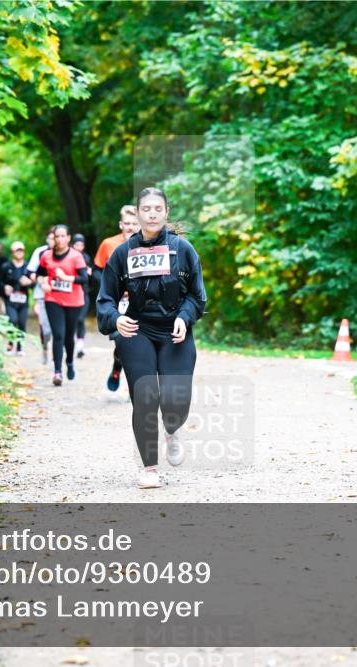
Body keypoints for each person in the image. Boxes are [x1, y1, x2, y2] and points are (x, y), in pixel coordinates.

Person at [96, 187, 206, 489]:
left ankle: (172, 429)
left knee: (175, 401)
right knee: (145, 398)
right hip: (137, 329)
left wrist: (185, 317)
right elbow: (105, 299)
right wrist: (117, 319)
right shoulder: (122, 253)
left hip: (175, 331)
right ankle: (149, 468)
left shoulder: (183, 250)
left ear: (166, 212)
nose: (153, 213)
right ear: (138, 213)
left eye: (158, 208)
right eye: (146, 209)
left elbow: (198, 297)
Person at [93, 205, 141, 391]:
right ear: (121, 224)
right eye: (127, 223)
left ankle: (134, 380)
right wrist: (112, 286)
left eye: (134, 223)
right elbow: (97, 271)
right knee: (122, 340)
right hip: (117, 303)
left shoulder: (148, 245)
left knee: (138, 342)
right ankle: (117, 369)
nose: (130, 227)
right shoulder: (109, 244)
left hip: (139, 302)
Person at [37, 224, 89, 386]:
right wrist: (43, 283)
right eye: (56, 236)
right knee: (58, 334)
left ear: (68, 238)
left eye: (62, 236)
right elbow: (40, 274)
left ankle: (70, 363)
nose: (59, 239)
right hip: (53, 299)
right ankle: (57, 371)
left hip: (74, 301)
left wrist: (66, 278)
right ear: (53, 238)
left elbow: (84, 279)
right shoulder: (46, 255)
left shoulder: (76, 256)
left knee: (68, 336)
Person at [25, 229, 55, 365]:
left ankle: (57, 352)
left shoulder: (68, 253)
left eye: (55, 238)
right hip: (42, 293)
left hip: (61, 295)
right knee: (45, 326)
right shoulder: (40, 252)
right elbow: (30, 272)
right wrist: (42, 281)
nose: (52, 241)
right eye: (50, 238)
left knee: (60, 327)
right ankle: (44, 347)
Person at [1, 241, 32, 355]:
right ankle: (10, 344)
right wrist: (5, 287)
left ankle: (20, 347)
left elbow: (34, 282)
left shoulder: (28, 267)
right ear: (12, 252)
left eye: (21, 250)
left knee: (22, 322)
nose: (19, 253)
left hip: (23, 298)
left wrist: (28, 282)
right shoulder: (6, 266)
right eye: (17, 250)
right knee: (12, 320)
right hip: (10, 300)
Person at [70, 234, 94, 359]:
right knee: (71, 321)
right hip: (70, 293)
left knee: (80, 319)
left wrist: (90, 274)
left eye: (81, 245)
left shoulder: (86, 258)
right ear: (72, 245)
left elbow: (89, 278)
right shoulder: (68, 257)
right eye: (76, 245)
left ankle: (80, 345)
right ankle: (69, 343)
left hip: (83, 293)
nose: (79, 247)